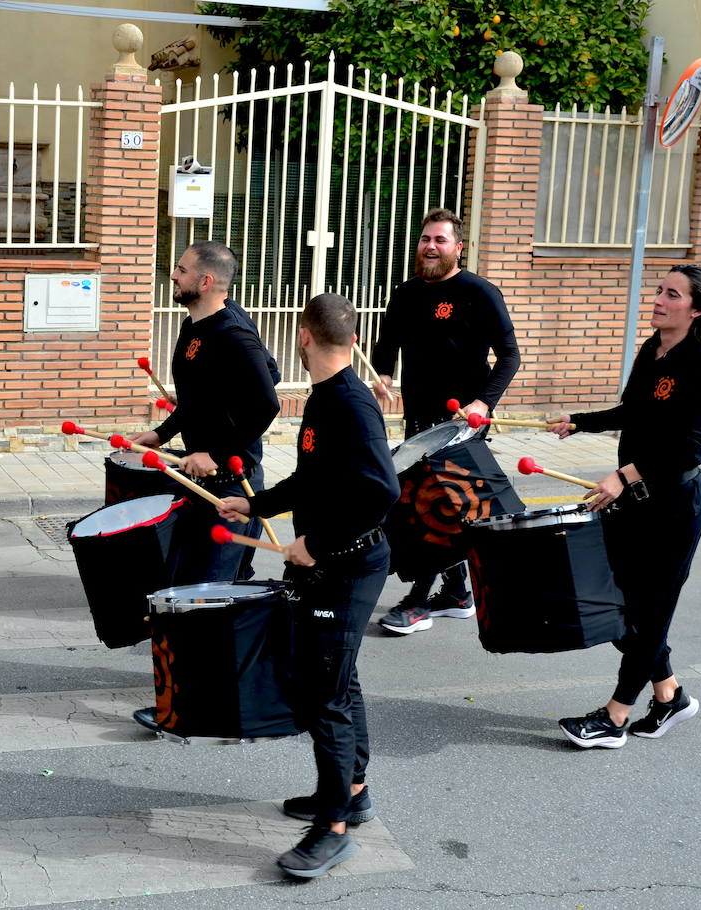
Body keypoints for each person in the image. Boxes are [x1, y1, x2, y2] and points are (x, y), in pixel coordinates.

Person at [219, 293, 399, 879]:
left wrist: (317, 544)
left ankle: (333, 828)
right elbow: (313, 479)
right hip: (331, 562)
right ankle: (352, 792)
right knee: (338, 681)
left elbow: (382, 490)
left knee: (325, 694)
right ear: (353, 340)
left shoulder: (349, 403)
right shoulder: (328, 396)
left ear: (302, 336)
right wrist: (253, 505)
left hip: (346, 566)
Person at [548, 264, 701, 749]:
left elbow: (689, 450)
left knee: (649, 614)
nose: (659, 300)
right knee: (618, 605)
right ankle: (669, 696)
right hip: (634, 504)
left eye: (673, 295)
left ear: (698, 309)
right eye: (660, 290)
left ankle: (615, 717)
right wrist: (578, 421)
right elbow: (633, 412)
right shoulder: (653, 349)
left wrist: (624, 475)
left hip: (674, 509)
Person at [127, 241, 280, 731]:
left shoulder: (234, 334)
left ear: (206, 281)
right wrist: (162, 433)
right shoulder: (194, 326)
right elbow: (194, 400)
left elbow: (267, 403)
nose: (173, 275)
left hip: (230, 485)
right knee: (190, 592)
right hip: (198, 481)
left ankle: (201, 708)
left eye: (181, 269)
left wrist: (216, 451)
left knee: (206, 598)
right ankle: (205, 695)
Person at [368, 208, 520, 636]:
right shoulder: (406, 293)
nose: (430, 247)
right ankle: (456, 593)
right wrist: (383, 375)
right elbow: (387, 342)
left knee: (434, 508)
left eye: (440, 240)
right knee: (436, 506)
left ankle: (419, 601)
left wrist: (483, 402)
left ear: (458, 247)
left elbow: (510, 355)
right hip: (419, 417)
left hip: (461, 422)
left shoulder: (479, 292)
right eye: (425, 239)